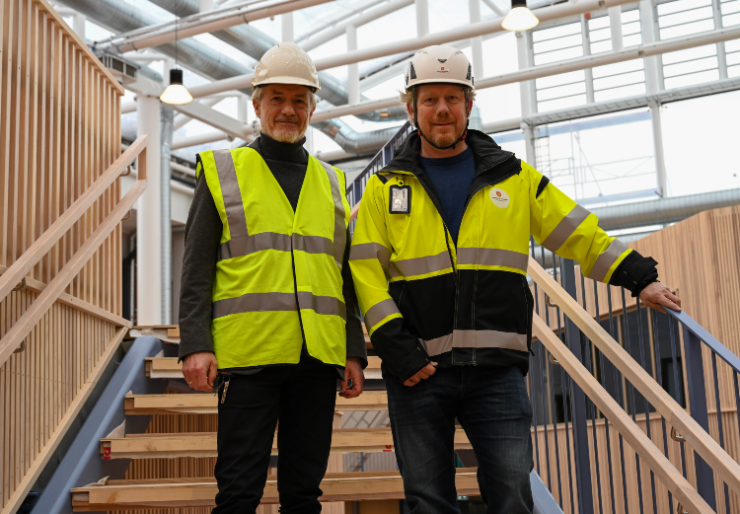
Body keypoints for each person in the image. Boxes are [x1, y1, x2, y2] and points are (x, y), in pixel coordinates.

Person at [348, 44, 681, 514]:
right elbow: (364, 271)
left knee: (512, 497)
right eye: (429, 99)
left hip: (496, 371)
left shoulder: (515, 178)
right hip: (417, 370)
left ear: (469, 104)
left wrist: (636, 278)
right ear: (411, 108)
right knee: (427, 501)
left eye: (453, 98)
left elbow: (578, 233)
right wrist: (397, 347)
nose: (442, 109)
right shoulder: (385, 189)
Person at [177, 42, 367, 514]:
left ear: (312, 109)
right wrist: (195, 342)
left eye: (299, 100)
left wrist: (353, 350)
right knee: (239, 491)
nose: (288, 110)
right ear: (257, 105)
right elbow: (196, 266)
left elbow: (342, 275)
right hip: (249, 356)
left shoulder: (332, 182)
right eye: (277, 99)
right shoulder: (223, 171)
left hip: (317, 357)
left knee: (304, 494)